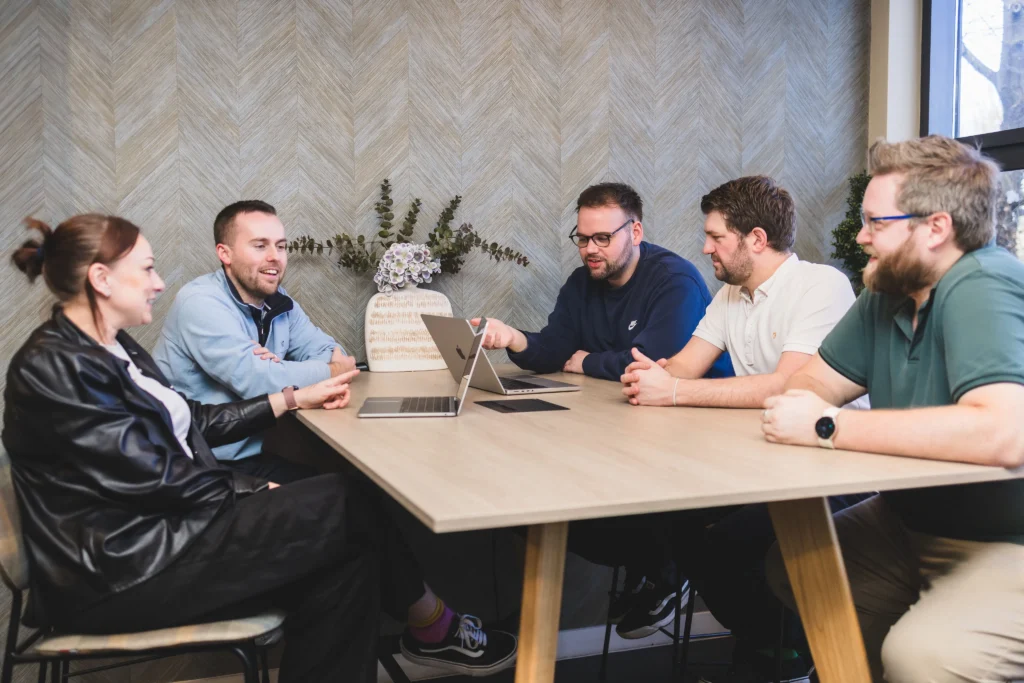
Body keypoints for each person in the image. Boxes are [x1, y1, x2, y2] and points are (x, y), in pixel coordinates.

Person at [3, 215, 516, 682]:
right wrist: (252, 488)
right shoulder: (56, 365)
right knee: (347, 499)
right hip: (116, 573)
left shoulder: (110, 346)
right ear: (101, 279)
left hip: (160, 539)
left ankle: (431, 628)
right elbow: (149, 476)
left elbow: (192, 422)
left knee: (350, 565)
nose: (159, 283)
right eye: (148, 269)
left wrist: (289, 398)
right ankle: (434, 628)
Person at [762, 136, 1024, 683]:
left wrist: (828, 426)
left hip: (1006, 538)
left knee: (921, 657)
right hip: (911, 522)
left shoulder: (982, 280)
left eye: (875, 222)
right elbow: (809, 384)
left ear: (936, 228)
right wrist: (812, 409)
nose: (861, 236)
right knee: (795, 566)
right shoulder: (888, 290)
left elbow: (1005, 432)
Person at [617, 176, 871, 681]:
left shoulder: (821, 286)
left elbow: (789, 385)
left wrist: (673, 390)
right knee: (671, 518)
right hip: (767, 462)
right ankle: (771, 651)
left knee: (729, 545)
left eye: (715, 237)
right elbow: (685, 367)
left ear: (756, 238)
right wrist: (652, 374)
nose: (705, 247)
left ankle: (788, 657)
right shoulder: (731, 294)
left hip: (837, 468)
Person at [154, 200, 356, 484]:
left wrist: (279, 370)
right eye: (260, 246)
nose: (275, 257)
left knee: (352, 484)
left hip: (250, 454)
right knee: (342, 491)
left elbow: (330, 350)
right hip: (195, 466)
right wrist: (332, 371)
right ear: (225, 253)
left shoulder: (277, 300)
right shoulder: (200, 302)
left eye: (281, 246)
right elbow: (261, 383)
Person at [473, 182, 733, 381]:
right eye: (583, 239)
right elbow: (555, 349)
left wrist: (588, 363)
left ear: (635, 233)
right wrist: (512, 337)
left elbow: (652, 364)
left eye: (602, 238)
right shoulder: (581, 282)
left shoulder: (675, 281)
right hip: (620, 404)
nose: (590, 249)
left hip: (698, 414)